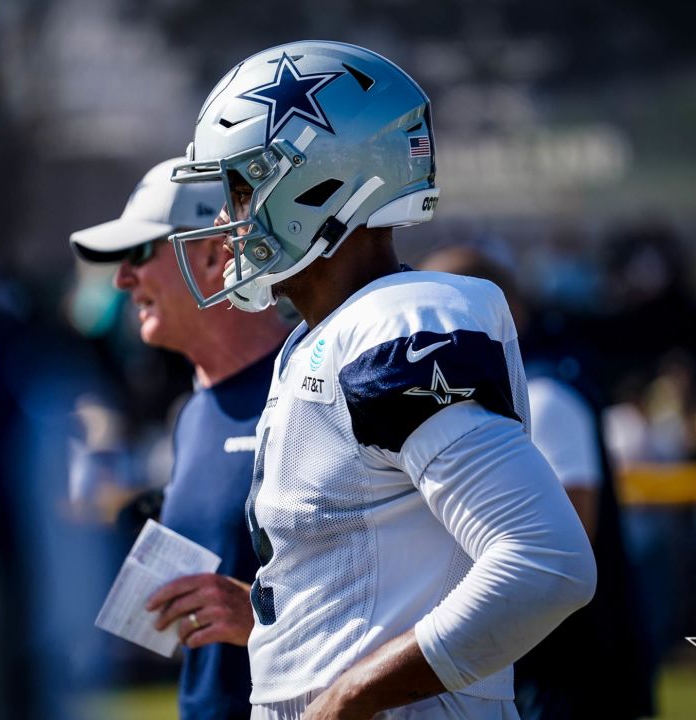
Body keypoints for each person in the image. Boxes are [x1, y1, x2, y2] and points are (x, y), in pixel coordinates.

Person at [167, 41, 596, 719]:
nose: (226, 220)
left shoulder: (398, 327)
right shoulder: (320, 340)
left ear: (317, 183)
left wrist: (345, 699)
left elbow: (545, 560)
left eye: (242, 186)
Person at [70, 158, 290, 720]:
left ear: (214, 254)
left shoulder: (318, 384)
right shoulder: (193, 411)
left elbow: (419, 583)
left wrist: (267, 619)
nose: (122, 279)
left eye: (140, 253)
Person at [419, 247, 657, 720]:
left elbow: (566, 540)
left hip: (569, 668)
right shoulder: (518, 388)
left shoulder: (542, 396)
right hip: (547, 658)